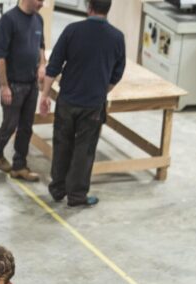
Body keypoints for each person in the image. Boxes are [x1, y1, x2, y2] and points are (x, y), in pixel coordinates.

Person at [38, 0, 126, 208]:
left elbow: (54, 66)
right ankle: (77, 196)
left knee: (62, 144)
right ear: (108, 8)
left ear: (88, 7)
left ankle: (58, 189)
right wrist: (100, 91)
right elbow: (117, 73)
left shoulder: (72, 31)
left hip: (67, 100)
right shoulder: (117, 37)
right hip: (93, 105)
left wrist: (44, 95)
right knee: (84, 150)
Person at [0, 0, 47, 181]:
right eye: (39, 0)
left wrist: (42, 64)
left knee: (26, 127)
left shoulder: (39, 20)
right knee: (10, 124)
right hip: (14, 84)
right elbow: (0, 56)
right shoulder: (8, 20)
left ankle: (19, 166)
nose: (42, 4)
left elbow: (41, 45)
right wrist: (4, 86)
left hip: (31, 83)